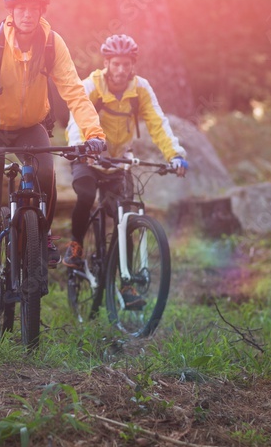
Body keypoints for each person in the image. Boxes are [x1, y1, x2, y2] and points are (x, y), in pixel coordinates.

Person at [0, 0, 107, 335]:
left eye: (33, 8)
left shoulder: (52, 44)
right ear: (11, 12)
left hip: (31, 126)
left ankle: (43, 235)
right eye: (20, 8)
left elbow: (74, 92)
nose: (26, 14)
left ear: (41, 11)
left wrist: (94, 133)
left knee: (47, 173)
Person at [62, 34, 188, 309]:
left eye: (126, 64)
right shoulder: (92, 85)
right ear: (107, 62)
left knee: (125, 220)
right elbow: (76, 119)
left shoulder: (141, 88)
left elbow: (157, 122)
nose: (121, 69)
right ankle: (76, 244)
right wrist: (80, 147)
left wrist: (175, 154)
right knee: (84, 194)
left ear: (133, 65)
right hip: (87, 154)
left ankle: (127, 284)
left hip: (119, 160)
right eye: (116, 63)